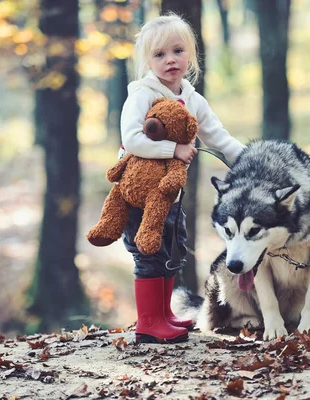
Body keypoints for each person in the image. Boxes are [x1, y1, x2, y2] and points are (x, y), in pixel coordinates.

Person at [120, 13, 245, 344]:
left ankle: (164, 314)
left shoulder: (191, 98)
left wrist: (251, 162)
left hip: (171, 195)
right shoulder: (142, 95)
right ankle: (148, 322)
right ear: (148, 61)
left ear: (190, 54)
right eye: (159, 55)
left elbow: (220, 138)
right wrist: (173, 150)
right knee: (149, 254)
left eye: (177, 51)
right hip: (140, 196)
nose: (170, 60)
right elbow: (132, 139)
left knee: (173, 249)